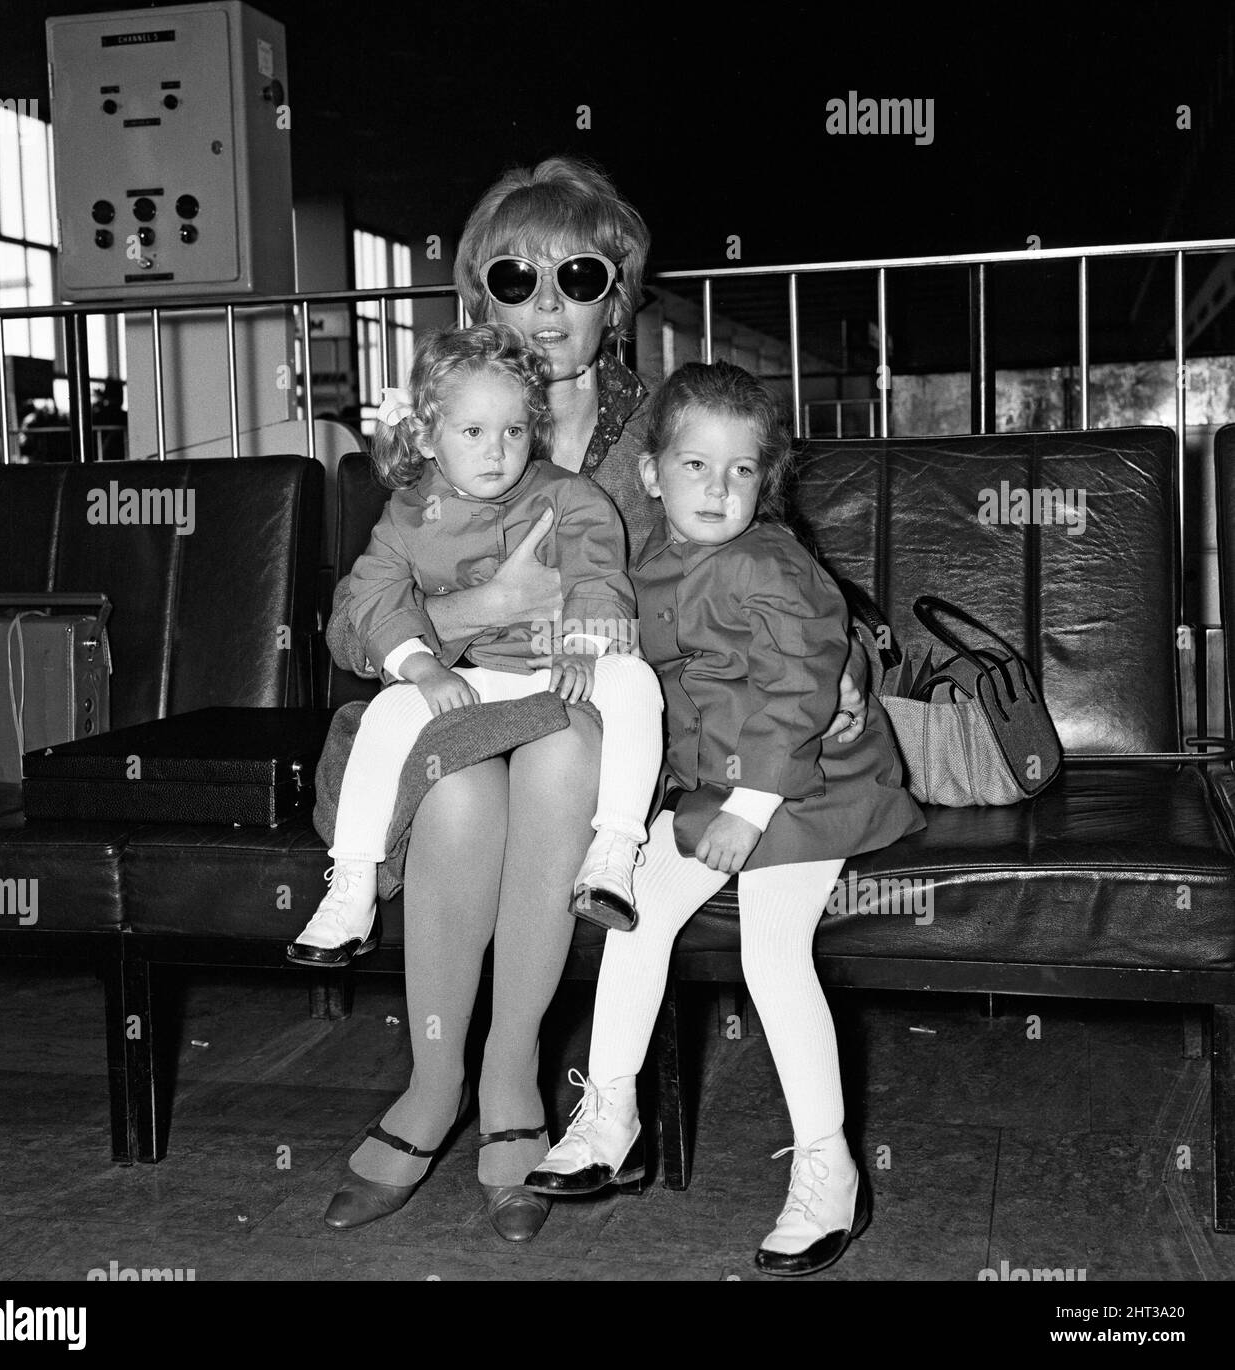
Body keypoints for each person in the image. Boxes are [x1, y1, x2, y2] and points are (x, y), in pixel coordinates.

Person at [319, 157, 871, 1245]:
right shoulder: (458, 429)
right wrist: (486, 600)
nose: (546, 304)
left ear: (615, 297)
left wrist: (848, 656)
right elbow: (352, 621)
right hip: (457, 714)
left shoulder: (660, 433)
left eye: (576, 275)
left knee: (568, 746)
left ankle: (513, 1077)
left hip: (613, 730)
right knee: (467, 785)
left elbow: (779, 565)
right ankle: (438, 1083)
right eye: (512, 279)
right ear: (479, 298)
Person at [524, 361, 925, 1277]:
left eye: (741, 470)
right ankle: (612, 1116)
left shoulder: (770, 563)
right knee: (630, 913)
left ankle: (830, 1166)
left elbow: (798, 690)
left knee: (769, 954)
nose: (717, 487)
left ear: (765, 481)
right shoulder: (643, 566)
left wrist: (751, 807)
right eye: (695, 465)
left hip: (814, 788)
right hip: (711, 794)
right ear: (653, 475)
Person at [287, 322, 663, 972]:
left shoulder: (569, 496)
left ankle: (614, 853)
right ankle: (350, 885)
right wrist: (423, 666)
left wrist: (581, 646)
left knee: (636, 682)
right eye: (473, 433)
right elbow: (372, 602)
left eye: (514, 431)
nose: (497, 452)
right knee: (385, 713)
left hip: (565, 677)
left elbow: (599, 575)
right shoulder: (406, 516)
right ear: (429, 437)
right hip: (485, 678)